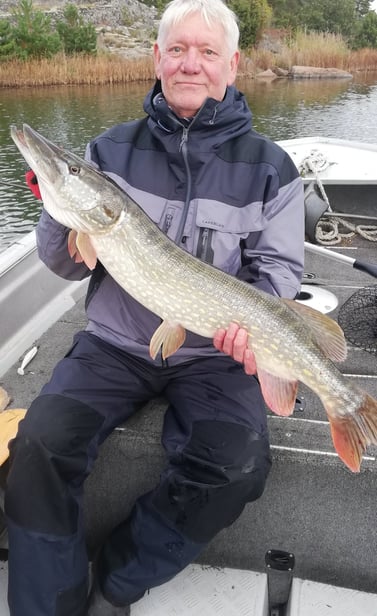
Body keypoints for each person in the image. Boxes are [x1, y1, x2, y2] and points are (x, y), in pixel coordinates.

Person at [4, 0, 305, 613]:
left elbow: (278, 273)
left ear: (233, 63)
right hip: (115, 343)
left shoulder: (273, 169)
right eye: (177, 49)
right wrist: (55, 209)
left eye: (207, 52)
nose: (190, 63)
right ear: (157, 58)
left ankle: (117, 582)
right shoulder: (108, 151)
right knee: (38, 445)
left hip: (214, 353)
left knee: (237, 465)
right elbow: (65, 263)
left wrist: (254, 331)